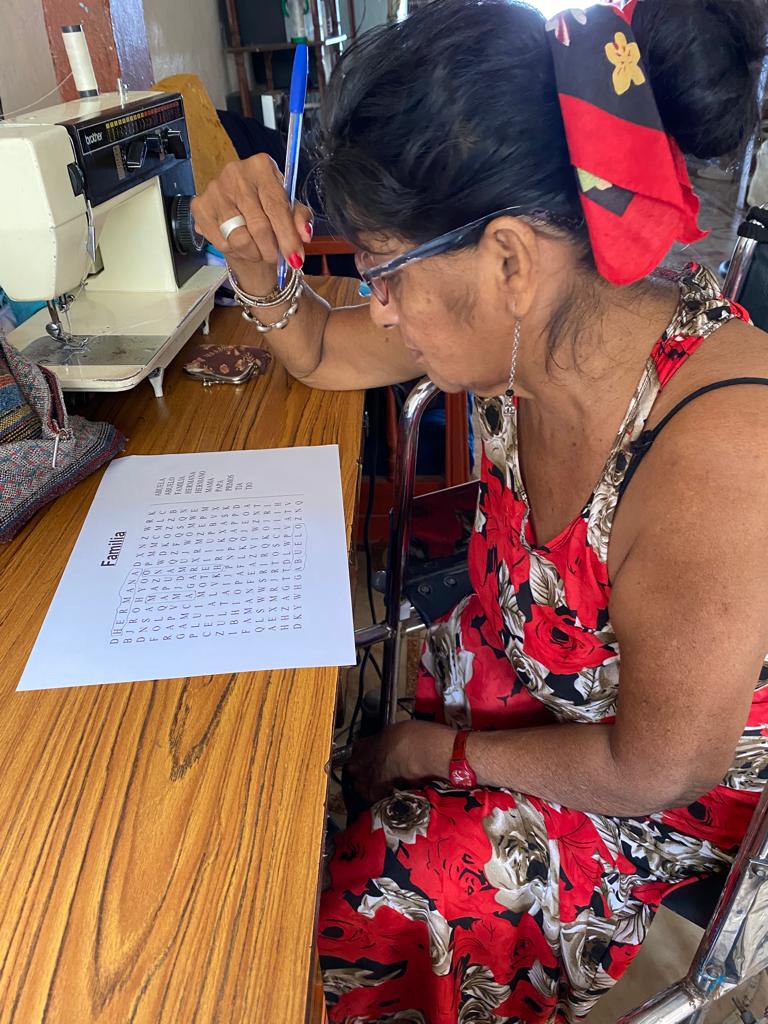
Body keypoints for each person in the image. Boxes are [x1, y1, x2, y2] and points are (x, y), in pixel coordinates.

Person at [191, 1, 768, 1020]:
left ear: (508, 258)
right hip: (520, 679)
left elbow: (659, 765)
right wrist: (252, 267)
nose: (377, 307)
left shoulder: (718, 456)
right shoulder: (537, 325)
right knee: (286, 786)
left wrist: (442, 754)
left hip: (644, 789)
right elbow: (318, 349)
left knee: (365, 893)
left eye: (383, 272)